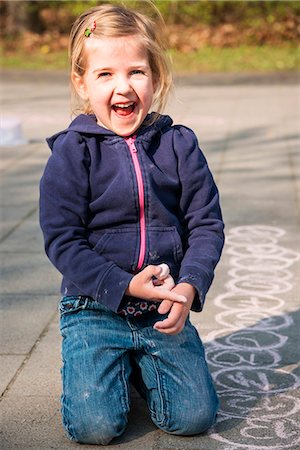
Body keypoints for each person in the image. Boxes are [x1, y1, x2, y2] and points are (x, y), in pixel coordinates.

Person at [39, 3, 224, 446]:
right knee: (96, 428)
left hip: (162, 307)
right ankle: (111, 365)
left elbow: (206, 223)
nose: (123, 87)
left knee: (194, 417)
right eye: (105, 74)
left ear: (156, 78)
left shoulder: (178, 145)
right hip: (94, 308)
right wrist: (122, 287)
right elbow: (62, 239)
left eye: (136, 72)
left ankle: (143, 369)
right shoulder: (72, 153)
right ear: (81, 83)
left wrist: (189, 287)